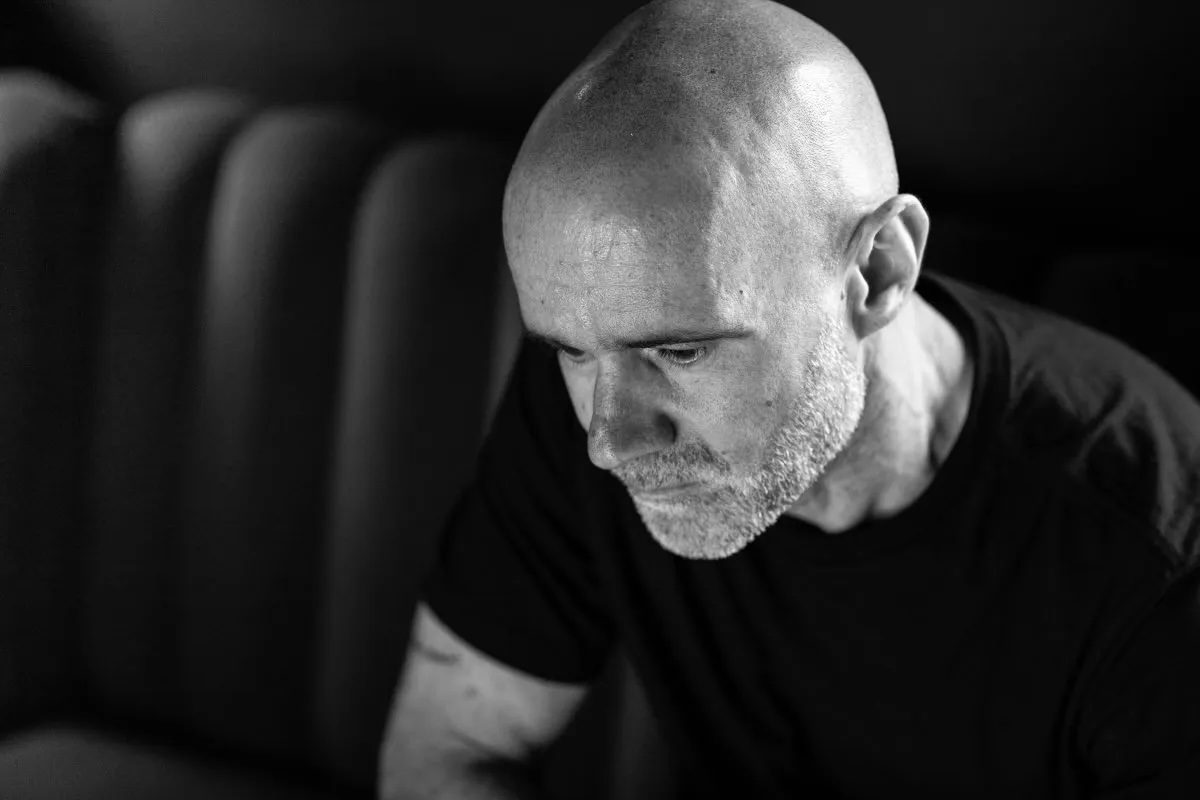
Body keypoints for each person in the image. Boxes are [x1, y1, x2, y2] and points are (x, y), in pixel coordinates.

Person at [379, 0, 1200, 797]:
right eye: (569, 351)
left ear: (878, 270)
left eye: (682, 351)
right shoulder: (602, 375)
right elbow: (447, 750)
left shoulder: (1155, 557)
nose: (610, 441)